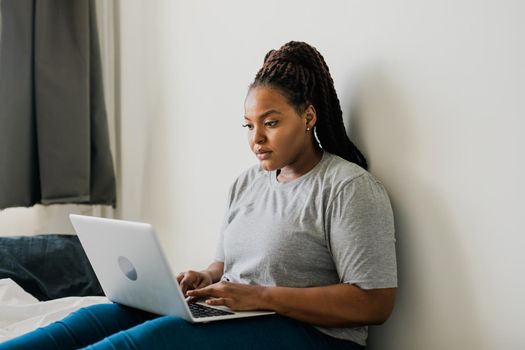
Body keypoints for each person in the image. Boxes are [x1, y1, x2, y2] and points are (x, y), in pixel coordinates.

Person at [0, 41, 397, 350]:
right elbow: (226, 264)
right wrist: (205, 277)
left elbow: (374, 303)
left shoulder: (348, 188)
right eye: (248, 126)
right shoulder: (248, 183)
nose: (256, 139)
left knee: (147, 340)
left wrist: (260, 296)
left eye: (271, 123)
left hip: (312, 337)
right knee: (93, 321)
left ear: (308, 117)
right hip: (237, 315)